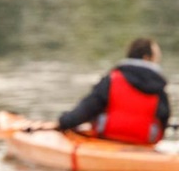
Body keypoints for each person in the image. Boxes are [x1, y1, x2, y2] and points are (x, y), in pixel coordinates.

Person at [37, 37, 171, 145]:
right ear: (146, 58)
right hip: (143, 143)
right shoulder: (159, 88)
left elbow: (87, 109)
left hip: (109, 139)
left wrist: (64, 122)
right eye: (156, 58)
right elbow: (163, 118)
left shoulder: (112, 79)